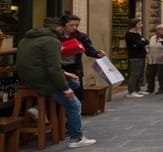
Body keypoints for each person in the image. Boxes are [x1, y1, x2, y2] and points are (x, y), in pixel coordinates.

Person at [16, 16, 96, 148]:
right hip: (42, 81)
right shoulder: (52, 41)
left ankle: (41, 109)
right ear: (59, 28)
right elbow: (53, 68)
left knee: (75, 83)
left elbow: (41, 63)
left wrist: (66, 74)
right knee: (74, 105)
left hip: (26, 79)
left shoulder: (26, 39)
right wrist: (65, 89)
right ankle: (76, 138)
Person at [59, 13, 106, 100]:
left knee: (77, 93)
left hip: (74, 67)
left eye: (77, 25)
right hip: (59, 67)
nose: (74, 27)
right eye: (71, 25)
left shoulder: (81, 36)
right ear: (64, 25)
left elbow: (89, 50)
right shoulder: (56, 36)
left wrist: (97, 54)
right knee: (60, 92)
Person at [124, 18, 147, 98]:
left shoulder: (137, 33)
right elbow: (140, 43)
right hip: (135, 56)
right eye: (139, 24)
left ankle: (137, 89)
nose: (141, 25)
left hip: (141, 55)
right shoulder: (129, 34)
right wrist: (142, 42)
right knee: (134, 74)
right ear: (134, 25)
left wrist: (142, 41)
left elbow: (146, 41)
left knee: (139, 73)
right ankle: (131, 91)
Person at [144, 24, 163, 95]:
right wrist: (147, 52)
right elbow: (147, 45)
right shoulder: (153, 37)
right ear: (157, 30)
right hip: (152, 59)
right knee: (149, 74)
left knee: (162, 75)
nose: (162, 31)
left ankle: (162, 89)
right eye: (160, 29)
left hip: (162, 59)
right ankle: (150, 88)